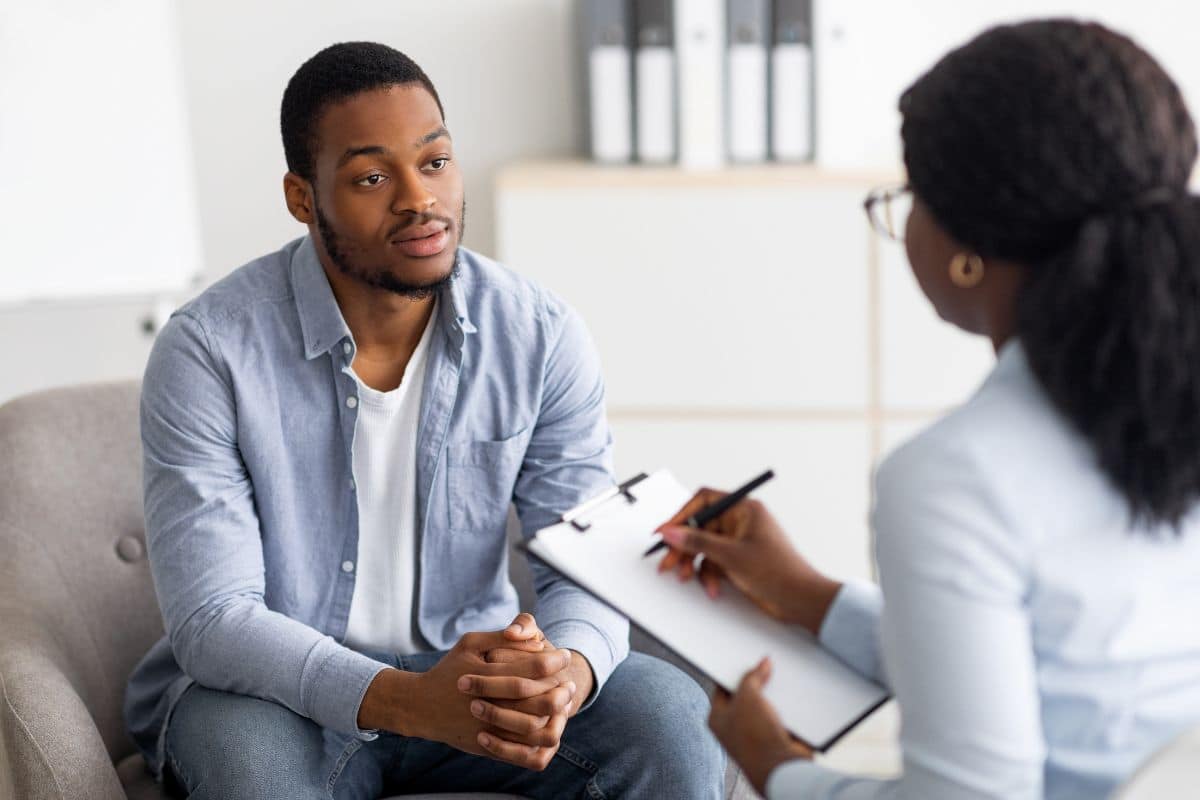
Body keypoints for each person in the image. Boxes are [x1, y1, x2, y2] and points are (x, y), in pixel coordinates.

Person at [123, 41, 723, 799]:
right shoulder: (208, 350)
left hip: (473, 679)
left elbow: (586, 559)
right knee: (253, 774)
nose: (419, 199)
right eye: (372, 177)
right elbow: (215, 619)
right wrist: (410, 702)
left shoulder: (539, 334)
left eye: (434, 162)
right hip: (277, 695)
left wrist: (565, 674)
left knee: (670, 719)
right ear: (303, 198)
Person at [655, 19, 1200, 799]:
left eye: (909, 194)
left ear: (965, 248)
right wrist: (807, 595)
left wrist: (777, 769)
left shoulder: (956, 476)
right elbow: (1059, 681)